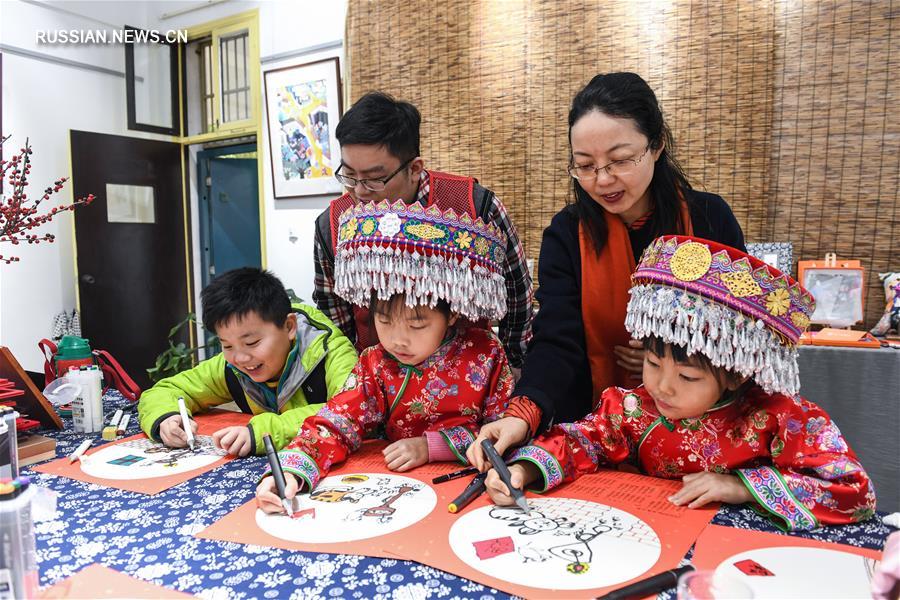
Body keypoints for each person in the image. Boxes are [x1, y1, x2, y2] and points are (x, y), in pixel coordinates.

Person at [470, 236, 876, 531]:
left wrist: (741, 488)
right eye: (651, 362)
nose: (662, 386)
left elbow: (854, 491)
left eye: (687, 376)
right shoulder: (632, 408)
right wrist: (524, 469)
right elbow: (582, 440)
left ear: (735, 371)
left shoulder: (778, 417)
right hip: (648, 536)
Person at [492, 72, 747, 443]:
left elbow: (741, 333)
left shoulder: (709, 220)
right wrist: (523, 412)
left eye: (620, 160)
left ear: (656, 145)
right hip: (593, 428)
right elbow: (556, 340)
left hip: (700, 432)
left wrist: (670, 351)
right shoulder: (566, 234)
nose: (603, 180)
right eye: (585, 166)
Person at [256, 200, 515, 511]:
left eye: (417, 323)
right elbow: (337, 421)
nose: (397, 339)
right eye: (384, 320)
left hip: (474, 487)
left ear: (452, 315)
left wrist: (430, 447)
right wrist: (291, 470)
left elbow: (504, 431)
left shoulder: (484, 354)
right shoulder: (375, 362)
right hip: (394, 487)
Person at [313, 91, 533, 372]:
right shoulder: (332, 225)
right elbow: (334, 322)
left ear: (414, 168)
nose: (358, 191)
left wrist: (513, 366)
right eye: (349, 175)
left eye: (374, 179)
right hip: (380, 387)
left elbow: (517, 294)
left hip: (471, 382)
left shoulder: (473, 206)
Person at [138, 268, 357, 456]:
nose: (240, 358)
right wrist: (166, 418)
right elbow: (167, 390)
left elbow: (350, 411)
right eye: (227, 345)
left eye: (251, 342)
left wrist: (263, 432)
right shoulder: (230, 367)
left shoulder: (330, 352)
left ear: (289, 327)